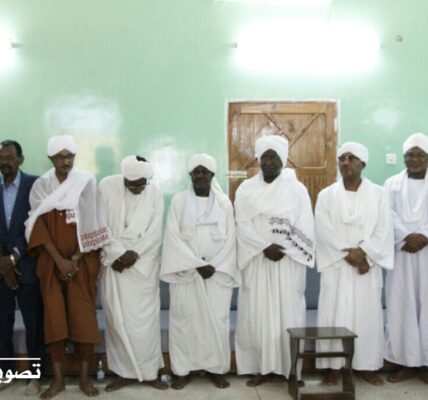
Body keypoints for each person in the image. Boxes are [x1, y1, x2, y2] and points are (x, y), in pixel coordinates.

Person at [25, 135, 109, 399]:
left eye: (70, 156)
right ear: (50, 159)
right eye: (60, 157)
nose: (66, 161)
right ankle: (59, 380)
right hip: (51, 264)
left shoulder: (85, 181)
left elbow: (93, 220)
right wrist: (59, 261)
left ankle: (84, 379)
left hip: (81, 264)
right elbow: (36, 225)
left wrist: (75, 258)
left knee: (83, 321)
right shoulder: (41, 186)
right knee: (55, 322)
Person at [234, 135, 315, 386]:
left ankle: (291, 369)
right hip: (258, 260)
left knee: (289, 314)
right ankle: (262, 367)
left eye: (274, 157)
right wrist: (264, 247)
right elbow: (242, 225)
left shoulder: (296, 189)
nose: (269, 162)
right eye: (265, 157)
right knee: (257, 316)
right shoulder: (246, 189)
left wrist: (285, 248)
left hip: (288, 262)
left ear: (283, 159)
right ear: (258, 160)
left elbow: (305, 224)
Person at [315, 142, 394, 386]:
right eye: (342, 158)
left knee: (366, 316)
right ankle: (333, 367)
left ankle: (365, 366)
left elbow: (384, 229)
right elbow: (323, 231)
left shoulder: (379, 194)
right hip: (337, 266)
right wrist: (349, 254)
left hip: (366, 268)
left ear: (363, 163)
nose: (345, 162)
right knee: (333, 316)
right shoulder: (326, 195)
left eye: (352, 158)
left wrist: (365, 254)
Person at [161, 153, 239, 390]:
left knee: (217, 322)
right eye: (197, 172)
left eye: (205, 172)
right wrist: (196, 263)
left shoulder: (224, 203)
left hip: (216, 274)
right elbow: (172, 237)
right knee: (184, 322)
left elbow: (232, 240)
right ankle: (182, 371)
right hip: (187, 273)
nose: (201, 176)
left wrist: (214, 265)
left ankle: (216, 370)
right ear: (190, 175)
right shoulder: (179, 201)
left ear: (213, 175)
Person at [99, 155, 167, 392]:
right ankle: (122, 373)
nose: (138, 188)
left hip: (143, 267)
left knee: (146, 324)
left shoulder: (155, 193)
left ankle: (150, 373)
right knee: (117, 321)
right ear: (123, 178)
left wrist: (132, 256)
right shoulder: (106, 186)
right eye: (132, 184)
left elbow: (155, 232)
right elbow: (100, 225)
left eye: (141, 184)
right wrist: (117, 254)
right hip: (114, 266)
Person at [0, 140, 44, 395]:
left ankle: (35, 376)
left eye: (9, 157)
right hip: (1, 269)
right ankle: (5, 373)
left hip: (27, 266)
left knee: (34, 325)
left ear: (21, 160)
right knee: (2, 324)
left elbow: (37, 225)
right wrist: (3, 262)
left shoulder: (34, 185)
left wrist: (14, 258)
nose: (4, 162)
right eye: (1, 158)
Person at [384, 133, 428, 384]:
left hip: (427, 252)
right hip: (401, 253)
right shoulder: (391, 184)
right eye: (410, 155)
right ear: (403, 158)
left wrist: (424, 236)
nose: (415, 159)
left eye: (420, 155)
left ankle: (426, 364)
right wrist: (405, 237)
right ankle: (406, 363)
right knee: (403, 305)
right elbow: (386, 215)